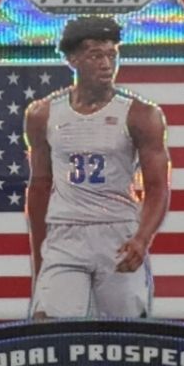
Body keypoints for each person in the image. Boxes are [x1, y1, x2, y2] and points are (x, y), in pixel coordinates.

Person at [24, 16, 169, 319]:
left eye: (111, 55)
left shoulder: (141, 114)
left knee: (124, 333)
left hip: (118, 233)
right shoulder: (43, 114)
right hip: (66, 231)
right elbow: (39, 185)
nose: (106, 64)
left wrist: (142, 238)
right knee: (50, 326)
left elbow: (157, 187)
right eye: (95, 56)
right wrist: (39, 255)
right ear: (73, 59)